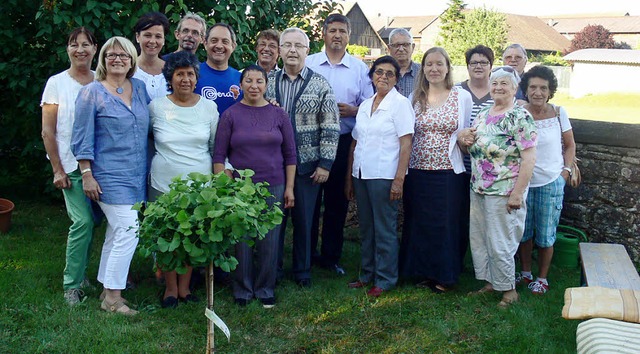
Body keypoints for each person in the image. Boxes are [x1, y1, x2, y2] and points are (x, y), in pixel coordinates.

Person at [71, 36, 151, 315]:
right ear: (103, 60)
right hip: (107, 176)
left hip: (137, 174)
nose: (117, 59)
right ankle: (114, 299)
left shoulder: (139, 88)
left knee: (117, 232)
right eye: (111, 55)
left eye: (124, 55)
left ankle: (107, 290)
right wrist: (86, 174)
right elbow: (81, 137)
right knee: (130, 230)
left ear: (131, 61)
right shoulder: (92, 92)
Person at [213, 65, 296, 308]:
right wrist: (223, 188)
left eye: (259, 81)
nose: (254, 85)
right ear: (241, 85)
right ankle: (242, 289)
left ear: (266, 85)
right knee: (241, 240)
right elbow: (219, 154)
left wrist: (289, 188)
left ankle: (265, 288)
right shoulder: (230, 115)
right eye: (248, 80)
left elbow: (290, 154)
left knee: (269, 239)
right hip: (241, 188)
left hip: (274, 184)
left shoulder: (279, 115)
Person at [265, 27, 340, 287]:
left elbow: (331, 126)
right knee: (274, 221)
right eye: (287, 45)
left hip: (308, 166)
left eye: (299, 46)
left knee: (305, 220)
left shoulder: (320, 84)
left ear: (308, 51)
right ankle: (272, 270)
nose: (293, 50)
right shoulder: (268, 82)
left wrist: (325, 164)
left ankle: (302, 271)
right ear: (280, 50)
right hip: (273, 166)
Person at [459, 66, 537, 308]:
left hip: (504, 191)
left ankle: (509, 291)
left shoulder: (520, 116)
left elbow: (530, 157)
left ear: (515, 88)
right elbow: (471, 145)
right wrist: (464, 140)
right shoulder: (483, 112)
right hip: (479, 187)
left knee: (501, 241)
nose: (498, 88)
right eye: (495, 83)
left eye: (504, 83)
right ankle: (491, 283)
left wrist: (517, 193)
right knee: (481, 239)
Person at [149, 51, 219, 308]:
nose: (185, 79)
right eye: (180, 74)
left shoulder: (209, 107)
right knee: (167, 237)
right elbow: (148, 140)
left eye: (190, 74)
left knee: (191, 238)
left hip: (199, 187)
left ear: (196, 77)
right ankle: (169, 289)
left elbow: (214, 146)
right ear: (171, 77)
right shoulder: (156, 107)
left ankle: (185, 288)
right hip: (163, 184)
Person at [399, 47, 472, 293]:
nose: (434, 69)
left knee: (446, 224)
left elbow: (464, 134)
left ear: (448, 67)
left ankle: (445, 275)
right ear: (423, 68)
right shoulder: (414, 99)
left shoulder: (461, 97)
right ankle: (422, 271)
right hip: (417, 171)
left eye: (439, 64)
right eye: (429, 64)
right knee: (419, 223)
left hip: (448, 172)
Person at [306, 13, 374, 276]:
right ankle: (307, 253)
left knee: (337, 201)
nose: (337, 35)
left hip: (343, 142)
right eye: (332, 30)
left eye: (342, 31)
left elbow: (370, 105)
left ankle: (331, 257)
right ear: (324, 34)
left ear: (348, 36)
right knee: (310, 201)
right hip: (311, 140)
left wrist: (354, 110)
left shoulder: (358, 68)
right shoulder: (310, 63)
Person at [345, 56, 414, 297]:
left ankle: (385, 279)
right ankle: (366, 275)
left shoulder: (401, 104)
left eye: (389, 74)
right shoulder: (365, 105)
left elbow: (406, 145)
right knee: (366, 228)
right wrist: (349, 178)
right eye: (378, 72)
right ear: (372, 75)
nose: (383, 77)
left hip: (384, 176)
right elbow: (356, 142)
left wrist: (399, 180)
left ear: (396, 79)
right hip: (361, 175)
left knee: (384, 229)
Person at [41, 27, 98, 305]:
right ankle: (71, 285)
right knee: (83, 221)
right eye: (74, 45)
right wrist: (57, 169)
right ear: (67, 49)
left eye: (86, 44)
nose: (80, 50)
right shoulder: (56, 83)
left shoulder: (102, 80)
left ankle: (84, 272)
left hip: (100, 164)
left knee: (95, 221)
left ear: (95, 49)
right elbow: (48, 131)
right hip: (69, 164)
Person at [517, 65, 576, 295]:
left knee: (545, 234)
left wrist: (565, 173)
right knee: (523, 232)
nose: (538, 92)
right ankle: (525, 273)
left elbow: (570, 145)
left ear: (550, 90)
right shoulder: (519, 113)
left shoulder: (559, 113)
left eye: (543, 88)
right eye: (533, 87)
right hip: (522, 183)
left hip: (550, 183)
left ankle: (542, 278)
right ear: (526, 89)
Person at [456, 45, 495, 266]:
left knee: (488, 222)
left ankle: (491, 267)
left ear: (491, 66)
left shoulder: (499, 91)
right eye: (474, 63)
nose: (478, 66)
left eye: (483, 62)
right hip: (461, 166)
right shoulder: (457, 91)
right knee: (460, 217)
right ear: (468, 66)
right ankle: (458, 262)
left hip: (490, 171)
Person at [195, 23, 242, 116]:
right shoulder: (192, 75)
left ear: (233, 46)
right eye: (214, 40)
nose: (219, 46)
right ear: (205, 43)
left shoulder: (241, 79)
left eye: (225, 41)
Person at [133, 12, 170, 100]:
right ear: (138, 37)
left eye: (158, 36)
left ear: (163, 40)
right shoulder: (128, 70)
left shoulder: (172, 71)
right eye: (147, 35)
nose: (152, 41)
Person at [387, 28, 421, 97]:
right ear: (389, 48)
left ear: (413, 47)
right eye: (396, 45)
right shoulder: (381, 74)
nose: (401, 49)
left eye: (405, 45)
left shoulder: (423, 72)